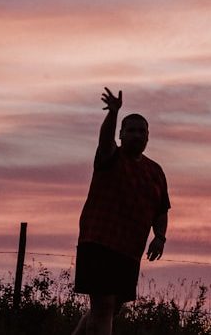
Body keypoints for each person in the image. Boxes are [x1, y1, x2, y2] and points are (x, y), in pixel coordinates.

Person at [72, 87, 171, 335]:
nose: (137, 135)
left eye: (142, 131)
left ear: (148, 136)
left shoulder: (155, 172)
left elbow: (161, 210)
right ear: (121, 134)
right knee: (103, 307)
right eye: (131, 131)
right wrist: (114, 112)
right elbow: (104, 141)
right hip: (99, 241)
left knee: (110, 308)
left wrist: (159, 237)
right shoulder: (111, 157)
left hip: (129, 251)